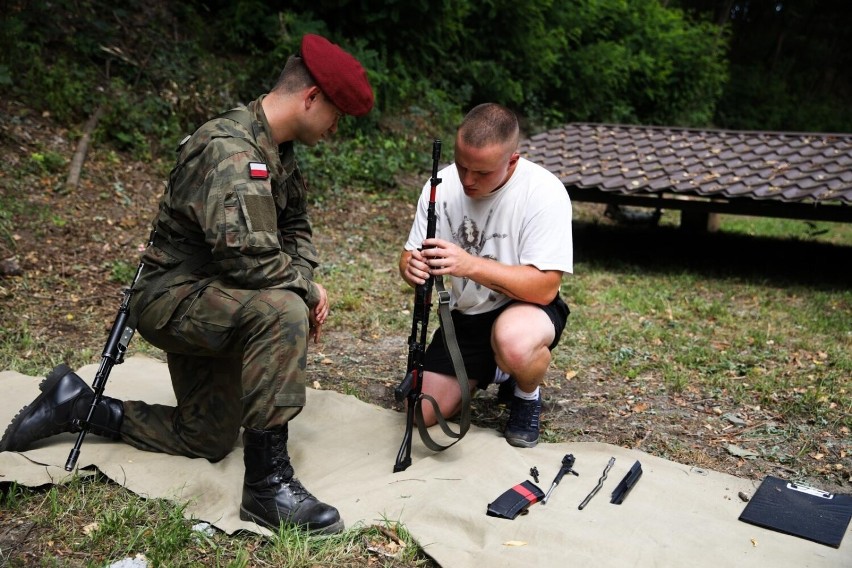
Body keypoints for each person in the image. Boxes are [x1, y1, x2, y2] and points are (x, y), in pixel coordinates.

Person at [0, 34, 373, 534]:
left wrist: (302, 275)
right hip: (175, 297)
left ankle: (81, 405)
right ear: (310, 98)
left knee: (208, 438)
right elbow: (251, 262)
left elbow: (295, 228)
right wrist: (305, 290)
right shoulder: (231, 152)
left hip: (221, 296)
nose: (335, 128)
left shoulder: (276, 149)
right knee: (283, 309)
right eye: (336, 115)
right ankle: (266, 488)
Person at [399, 103, 572, 448]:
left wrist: (469, 265)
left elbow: (545, 288)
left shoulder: (544, 192)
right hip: (467, 318)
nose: (467, 180)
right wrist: (409, 266)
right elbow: (410, 252)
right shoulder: (440, 183)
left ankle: (526, 395)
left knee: (515, 342)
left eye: (482, 172)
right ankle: (494, 369)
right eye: (462, 165)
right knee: (417, 412)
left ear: (512, 160)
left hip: (525, 309)